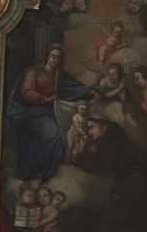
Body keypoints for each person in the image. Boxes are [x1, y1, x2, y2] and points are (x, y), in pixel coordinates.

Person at [5, 42, 88, 184]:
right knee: (51, 134)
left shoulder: (59, 73)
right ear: (46, 56)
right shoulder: (33, 71)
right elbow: (26, 93)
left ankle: (45, 174)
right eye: (53, 56)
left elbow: (73, 88)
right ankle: (33, 173)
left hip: (46, 112)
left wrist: (90, 91)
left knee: (61, 133)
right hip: (28, 112)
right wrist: (44, 99)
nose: (55, 60)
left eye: (58, 58)